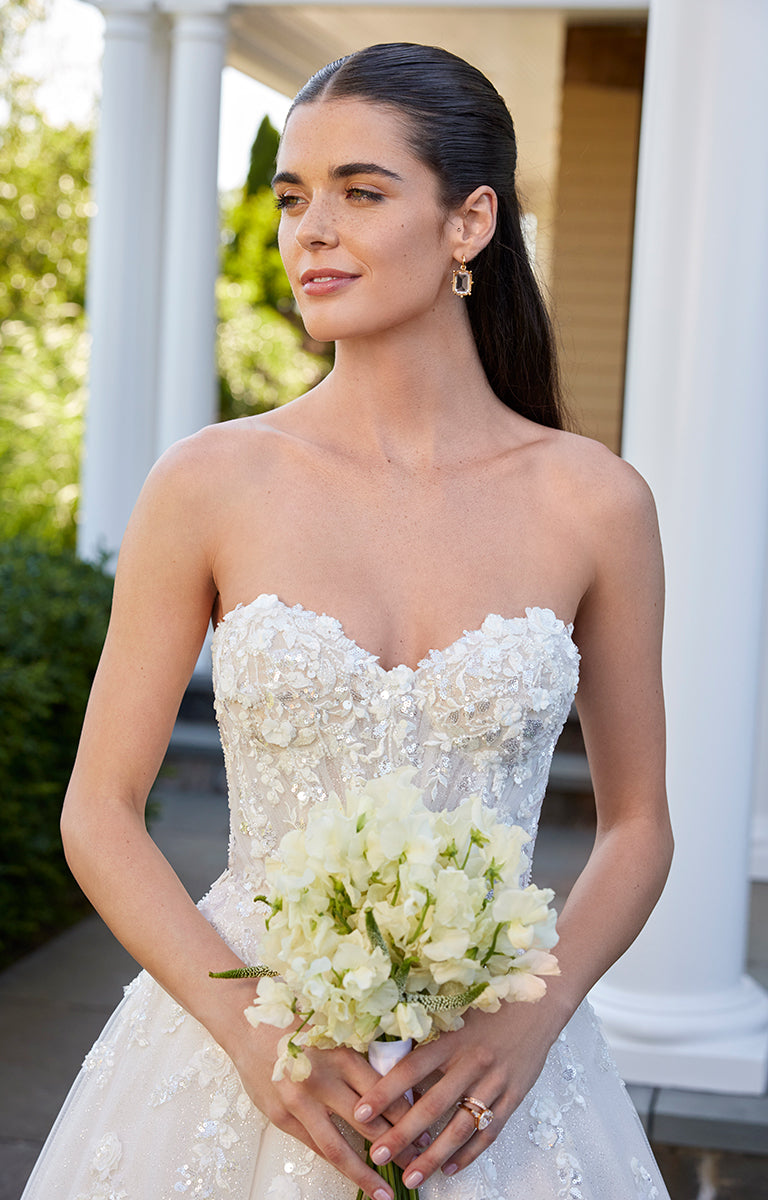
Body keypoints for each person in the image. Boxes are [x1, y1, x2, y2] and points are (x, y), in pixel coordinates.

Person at [22, 42, 673, 1200]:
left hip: (491, 1078)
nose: (308, 230)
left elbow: (637, 827)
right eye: (291, 196)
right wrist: (249, 1034)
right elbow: (100, 812)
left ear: (470, 223)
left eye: (359, 192)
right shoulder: (209, 481)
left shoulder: (595, 503)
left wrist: (536, 1017)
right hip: (242, 1060)